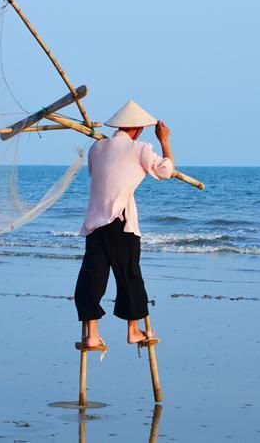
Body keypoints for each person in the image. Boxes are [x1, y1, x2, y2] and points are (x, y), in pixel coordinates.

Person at [74, 99, 175, 349]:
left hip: (95, 224)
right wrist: (164, 140)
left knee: (92, 277)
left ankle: (92, 335)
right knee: (129, 274)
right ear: (138, 129)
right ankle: (133, 330)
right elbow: (165, 171)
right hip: (121, 223)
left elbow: (103, 175)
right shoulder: (140, 148)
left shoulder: (96, 148)